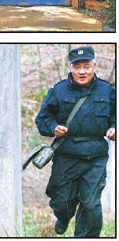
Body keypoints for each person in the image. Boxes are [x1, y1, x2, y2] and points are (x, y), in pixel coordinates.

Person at [35, 46, 115, 237]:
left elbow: (115, 115)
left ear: (94, 66)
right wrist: (53, 127)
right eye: (77, 66)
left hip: (95, 156)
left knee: (91, 203)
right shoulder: (58, 90)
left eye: (86, 66)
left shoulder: (108, 90)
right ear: (70, 67)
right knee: (62, 202)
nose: (82, 71)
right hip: (66, 155)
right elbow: (42, 119)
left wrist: (114, 127)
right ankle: (64, 217)